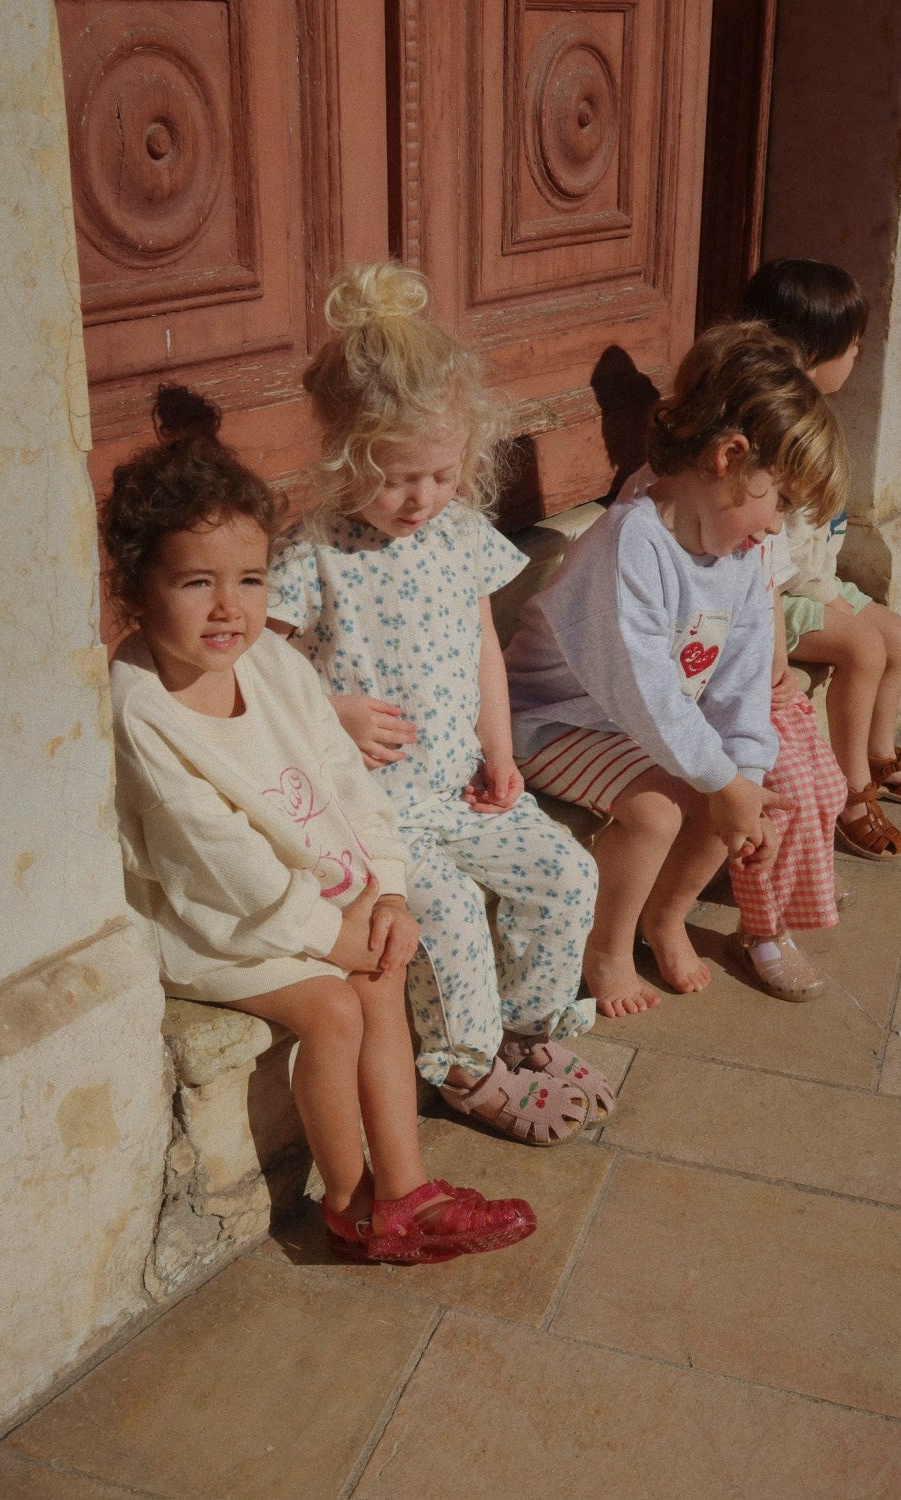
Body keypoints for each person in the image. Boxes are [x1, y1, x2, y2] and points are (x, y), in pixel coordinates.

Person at [103, 383, 536, 1263]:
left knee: (380, 966)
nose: (229, 608)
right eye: (195, 583)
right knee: (337, 1008)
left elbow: (346, 778)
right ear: (137, 589)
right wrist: (332, 936)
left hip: (313, 895)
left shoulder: (270, 660)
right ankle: (351, 1204)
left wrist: (388, 890)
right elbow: (218, 867)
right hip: (219, 926)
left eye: (250, 580)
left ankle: (406, 1188)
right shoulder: (144, 709)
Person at [269, 263, 611, 1146]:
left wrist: (500, 752)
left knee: (566, 873)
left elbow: (483, 646)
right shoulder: (313, 554)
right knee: (449, 911)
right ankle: (465, 1069)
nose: (421, 498)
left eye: (442, 474)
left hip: (458, 782)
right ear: (344, 457)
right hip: (373, 812)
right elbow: (260, 672)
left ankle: (523, 1029)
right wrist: (332, 712)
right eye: (396, 478)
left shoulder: (461, 536)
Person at [503, 322, 850, 1012]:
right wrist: (720, 780)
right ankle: (605, 948)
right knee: (660, 810)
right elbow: (641, 686)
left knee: (739, 794)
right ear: (729, 457)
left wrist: (744, 775)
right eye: (779, 499)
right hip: (551, 721)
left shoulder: (740, 558)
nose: (776, 526)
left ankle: (665, 916)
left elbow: (742, 681)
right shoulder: (631, 541)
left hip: (633, 726)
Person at [738, 259, 901, 860]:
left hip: (813, 583)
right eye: (853, 344)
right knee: (863, 648)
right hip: (775, 595)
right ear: (813, 351)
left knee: (897, 635)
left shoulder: (814, 416)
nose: (859, 355)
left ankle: (879, 755)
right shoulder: (778, 431)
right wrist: (831, 600)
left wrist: (833, 593)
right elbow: (774, 550)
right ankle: (851, 792)